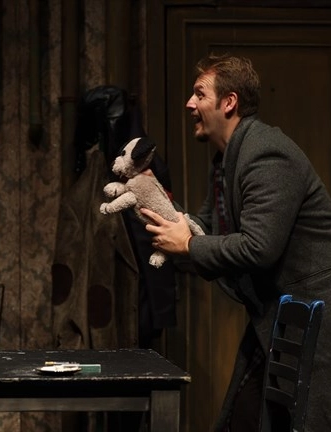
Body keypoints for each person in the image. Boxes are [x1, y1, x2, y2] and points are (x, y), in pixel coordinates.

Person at [141, 53, 331, 431]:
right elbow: (203, 228)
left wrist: (188, 246)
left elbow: (258, 248)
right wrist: (151, 196)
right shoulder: (226, 160)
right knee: (241, 418)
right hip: (276, 318)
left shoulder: (266, 152)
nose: (189, 104)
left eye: (200, 94)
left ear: (229, 102)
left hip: (314, 320)